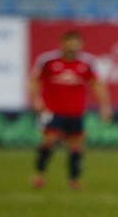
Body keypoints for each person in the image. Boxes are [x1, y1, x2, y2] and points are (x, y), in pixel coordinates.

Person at [29, 31, 112, 190]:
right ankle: (39, 174)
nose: (73, 47)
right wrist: (36, 99)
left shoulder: (87, 63)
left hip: (75, 111)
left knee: (76, 146)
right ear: (62, 43)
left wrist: (105, 106)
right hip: (51, 110)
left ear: (81, 45)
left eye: (76, 43)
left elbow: (97, 84)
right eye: (70, 43)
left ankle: (74, 180)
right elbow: (34, 80)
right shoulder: (47, 61)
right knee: (49, 140)